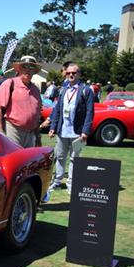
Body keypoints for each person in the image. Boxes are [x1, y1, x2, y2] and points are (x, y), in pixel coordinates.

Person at [46, 63, 94, 198]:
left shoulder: (86, 90)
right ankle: (57, 181)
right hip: (62, 130)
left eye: (74, 73)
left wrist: (85, 131)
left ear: (79, 74)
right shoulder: (63, 90)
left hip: (77, 132)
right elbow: (57, 110)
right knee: (60, 156)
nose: (71, 75)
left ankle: (71, 184)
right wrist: (53, 127)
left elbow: (90, 112)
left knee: (74, 158)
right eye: (68, 73)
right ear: (65, 74)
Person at [0, 56, 43, 148]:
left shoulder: (36, 90)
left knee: (28, 161)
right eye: (24, 67)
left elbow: (37, 115)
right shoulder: (10, 83)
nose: (28, 70)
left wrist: (38, 137)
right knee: (13, 159)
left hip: (30, 134)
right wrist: (0, 131)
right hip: (13, 130)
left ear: (34, 71)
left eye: (31, 67)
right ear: (19, 69)